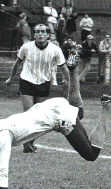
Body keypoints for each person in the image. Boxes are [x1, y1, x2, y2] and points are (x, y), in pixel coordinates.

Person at [0, 55, 111, 189]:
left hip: (57, 117)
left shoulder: (2, 135)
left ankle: (107, 106)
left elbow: (2, 170)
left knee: (91, 154)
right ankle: (73, 72)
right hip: (51, 106)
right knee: (78, 112)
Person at [6, 24, 70, 153]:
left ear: (48, 35)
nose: (40, 34)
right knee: (28, 113)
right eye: (37, 32)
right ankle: (25, 143)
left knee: (39, 116)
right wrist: (10, 78)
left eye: (43, 32)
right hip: (26, 81)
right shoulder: (26, 47)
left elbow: (63, 67)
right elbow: (17, 63)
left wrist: (68, 81)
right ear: (34, 35)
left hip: (43, 83)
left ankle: (30, 142)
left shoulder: (55, 49)